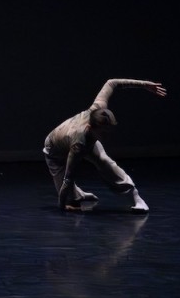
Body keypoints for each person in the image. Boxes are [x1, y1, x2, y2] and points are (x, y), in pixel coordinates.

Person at [42, 78, 167, 213]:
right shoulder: (79, 144)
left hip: (82, 138)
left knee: (105, 161)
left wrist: (144, 85)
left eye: (109, 132)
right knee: (69, 197)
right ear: (91, 128)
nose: (108, 138)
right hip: (54, 149)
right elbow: (68, 178)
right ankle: (77, 195)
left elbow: (112, 82)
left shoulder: (99, 107)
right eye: (103, 134)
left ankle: (136, 198)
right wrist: (62, 206)